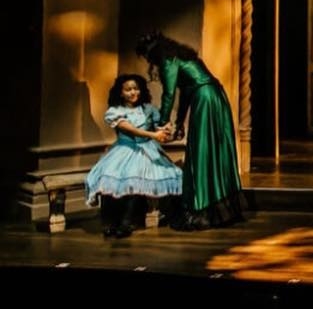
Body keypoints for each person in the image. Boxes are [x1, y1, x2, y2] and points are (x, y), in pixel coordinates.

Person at [135, 31, 245, 231]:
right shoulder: (183, 57)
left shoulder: (168, 60)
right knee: (213, 150)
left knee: (200, 152)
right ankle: (220, 207)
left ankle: (202, 209)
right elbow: (185, 91)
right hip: (215, 96)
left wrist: (162, 124)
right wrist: (178, 123)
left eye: (148, 58)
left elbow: (169, 94)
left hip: (205, 98)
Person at [84, 73, 184, 236]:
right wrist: (153, 135)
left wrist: (170, 133)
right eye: (128, 89)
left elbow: (161, 132)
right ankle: (109, 222)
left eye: (136, 89)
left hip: (147, 150)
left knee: (136, 177)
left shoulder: (148, 109)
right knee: (109, 177)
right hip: (124, 150)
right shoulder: (115, 111)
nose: (133, 92)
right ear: (120, 92)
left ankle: (126, 222)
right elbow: (129, 129)